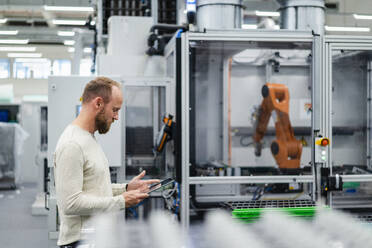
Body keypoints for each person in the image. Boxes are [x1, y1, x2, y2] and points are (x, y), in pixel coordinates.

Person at [54, 77, 159, 248]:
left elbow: (94, 189)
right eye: (115, 110)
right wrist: (121, 201)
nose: (117, 117)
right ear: (98, 103)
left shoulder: (88, 138)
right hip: (80, 242)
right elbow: (70, 203)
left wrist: (125, 189)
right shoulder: (72, 144)